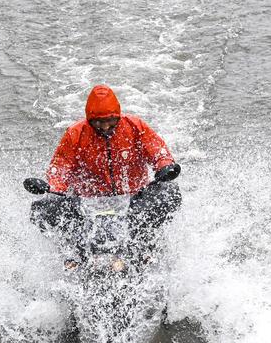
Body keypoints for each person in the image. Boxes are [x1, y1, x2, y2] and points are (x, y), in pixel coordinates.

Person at [31, 84, 182, 264]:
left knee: (169, 192)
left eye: (110, 120)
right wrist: (53, 188)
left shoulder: (135, 127)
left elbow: (158, 151)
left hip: (134, 199)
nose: (105, 126)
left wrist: (165, 167)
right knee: (42, 208)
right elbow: (60, 168)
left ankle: (145, 243)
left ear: (118, 114)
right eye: (98, 122)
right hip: (86, 203)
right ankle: (74, 252)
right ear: (89, 119)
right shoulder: (76, 134)